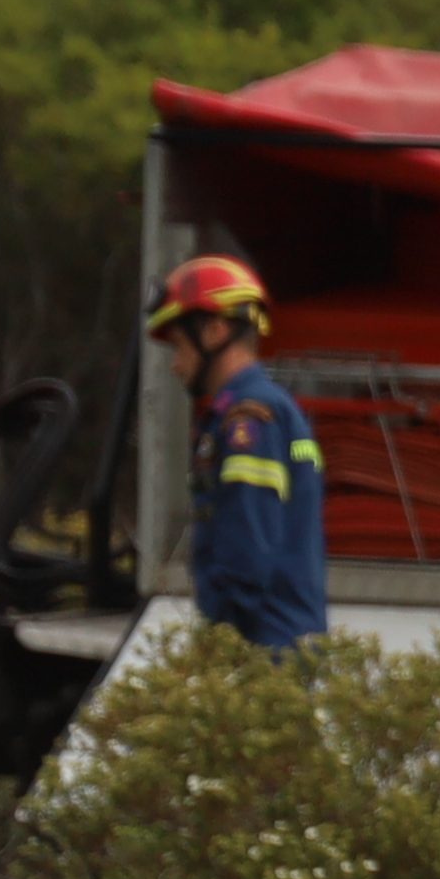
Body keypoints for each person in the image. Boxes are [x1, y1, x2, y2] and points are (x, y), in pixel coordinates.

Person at [150, 253, 327, 652]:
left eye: (179, 346)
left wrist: (224, 637)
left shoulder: (249, 420)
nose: (176, 366)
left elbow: (248, 545)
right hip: (278, 637)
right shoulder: (262, 409)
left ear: (214, 331)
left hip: (262, 642)